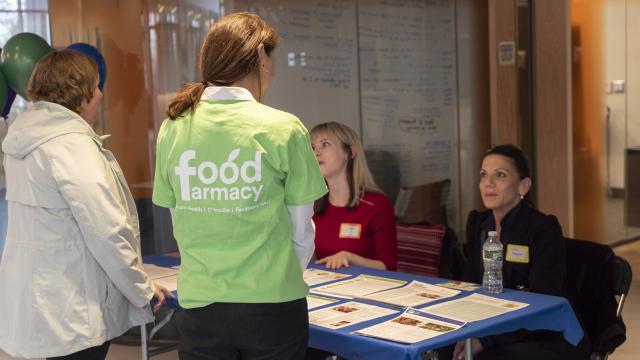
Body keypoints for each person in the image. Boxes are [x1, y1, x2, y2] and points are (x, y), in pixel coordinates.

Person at [152, 12, 327, 360]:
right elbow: (301, 230)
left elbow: (181, 222)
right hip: (272, 306)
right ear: (261, 55)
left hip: (201, 305)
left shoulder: (173, 128)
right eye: (273, 58)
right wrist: (277, 276)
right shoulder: (284, 128)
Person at [0, 50, 172, 360]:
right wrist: (141, 289)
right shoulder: (71, 145)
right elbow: (107, 231)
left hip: (35, 310)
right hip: (71, 317)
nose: (101, 94)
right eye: (95, 86)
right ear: (79, 93)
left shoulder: (22, 142)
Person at [452, 144, 589, 360]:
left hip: (542, 332)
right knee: (441, 348)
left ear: (523, 186)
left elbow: (542, 302)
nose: (488, 183)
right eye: (483, 175)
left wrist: (488, 339)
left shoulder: (543, 228)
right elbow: (470, 283)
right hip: (490, 320)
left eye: (501, 175)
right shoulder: (478, 224)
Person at [310, 122, 397, 271]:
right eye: (312, 148)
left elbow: (388, 266)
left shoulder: (377, 204)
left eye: (325, 144)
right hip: (324, 288)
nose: (316, 153)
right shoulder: (312, 205)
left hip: (366, 289)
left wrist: (350, 258)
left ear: (349, 152)